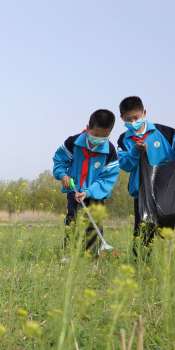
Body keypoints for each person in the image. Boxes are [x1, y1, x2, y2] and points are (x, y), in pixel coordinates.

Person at [116, 96, 175, 258]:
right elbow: (125, 165)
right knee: (143, 230)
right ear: (121, 118)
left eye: (136, 117)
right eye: (128, 119)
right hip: (142, 191)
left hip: (166, 190)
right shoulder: (124, 140)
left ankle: (169, 264)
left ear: (144, 113)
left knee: (167, 229)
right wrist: (135, 150)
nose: (133, 121)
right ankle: (141, 264)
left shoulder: (163, 131)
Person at [52, 109, 120, 255]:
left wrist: (89, 192)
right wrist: (63, 175)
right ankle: (69, 256)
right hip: (74, 192)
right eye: (96, 134)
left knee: (94, 226)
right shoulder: (73, 142)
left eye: (105, 135)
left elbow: (107, 178)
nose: (100, 138)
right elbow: (59, 161)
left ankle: (91, 260)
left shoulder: (110, 151)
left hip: (95, 194)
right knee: (73, 223)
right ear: (88, 128)